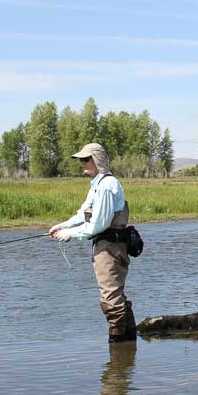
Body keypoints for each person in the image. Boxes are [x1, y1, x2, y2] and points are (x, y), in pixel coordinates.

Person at [50, 143, 136, 342]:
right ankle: (128, 348)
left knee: (111, 301)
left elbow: (98, 224)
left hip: (110, 248)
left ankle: (118, 358)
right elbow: (84, 213)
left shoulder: (107, 186)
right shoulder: (97, 184)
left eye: (85, 159)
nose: (82, 164)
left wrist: (70, 234)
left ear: (97, 160)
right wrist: (63, 225)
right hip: (105, 246)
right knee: (115, 297)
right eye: (81, 160)